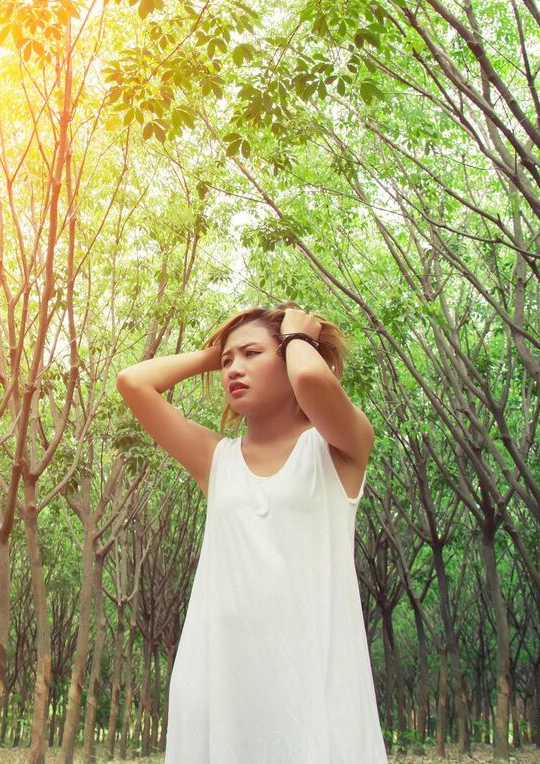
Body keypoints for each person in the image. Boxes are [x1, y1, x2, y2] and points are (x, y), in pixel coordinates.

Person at [115, 303, 387, 762]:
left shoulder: (341, 448)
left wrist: (298, 335)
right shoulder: (216, 459)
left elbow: (313, 383)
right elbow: (133, 382)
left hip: (306, 676)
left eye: (252, 354)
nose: (233, 370)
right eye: (228, 362)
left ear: (292, 357)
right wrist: (214, 352)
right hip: (219, 677)